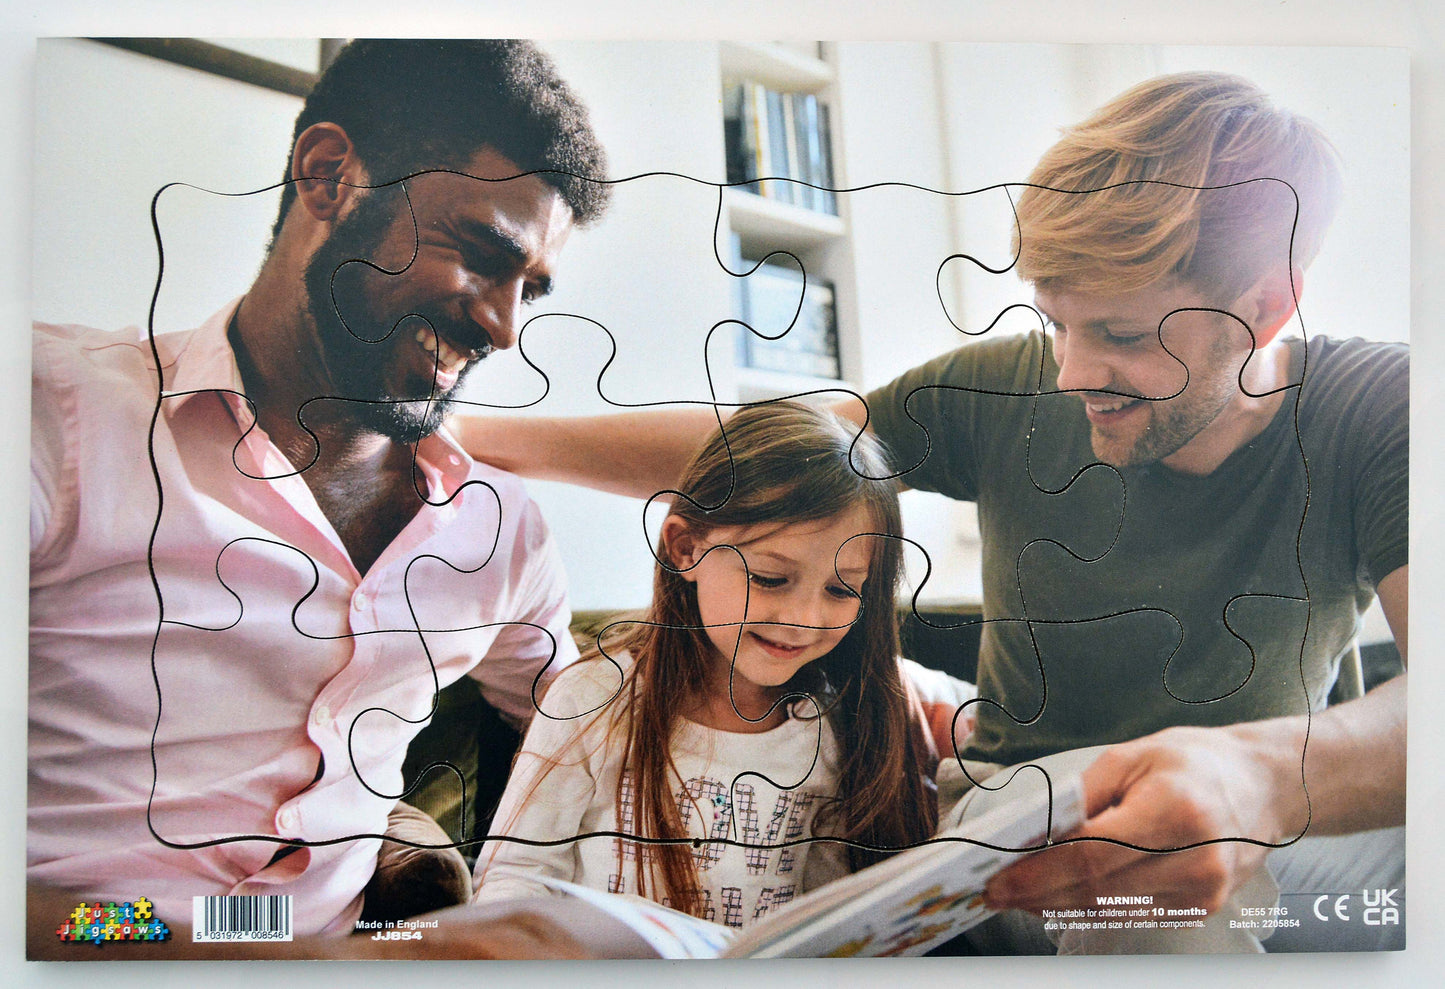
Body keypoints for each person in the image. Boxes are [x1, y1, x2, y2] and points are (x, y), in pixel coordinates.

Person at [453, 72, 1407, 953]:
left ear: (1267, 306)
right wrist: (484, 438)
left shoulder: (1379, 411)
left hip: (1244, 827)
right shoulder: (1007, 387)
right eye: (1055, 322)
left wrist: (1252, 773)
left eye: (1118, 334)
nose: (1070, 375)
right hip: (1012, 826)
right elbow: (778, 451)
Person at [28, 39, 610, 949]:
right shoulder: (51, 415)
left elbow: (600, 737)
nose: (503, 326)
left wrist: (853, 683)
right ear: (330, 174)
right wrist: (293, 957)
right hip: (108, 943)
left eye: (528, 289)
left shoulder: (497, 531)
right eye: (479, 253)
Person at [473, 403, 940, 926]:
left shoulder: (831, 723)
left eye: (841, 589)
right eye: (769, 578)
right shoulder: (593, 695)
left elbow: (820, 916)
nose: (804, 618)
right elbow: (515, 875)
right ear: (686, 547)